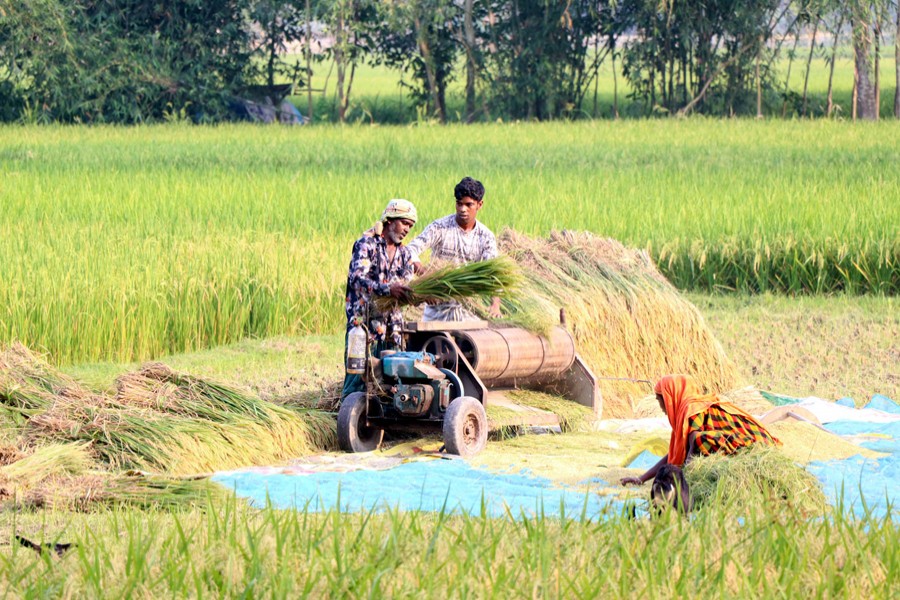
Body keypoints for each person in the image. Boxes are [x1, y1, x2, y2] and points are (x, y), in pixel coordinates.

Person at [620, 374, 780, 487]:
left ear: (670, 397)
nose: (660, 406)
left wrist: (686, 482)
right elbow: (675, 454)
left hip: (754, 443)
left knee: (700, 441)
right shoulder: (686, 412)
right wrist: (641, 479)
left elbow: (695, 445)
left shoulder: (690, 408)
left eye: (660, 400)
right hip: (747, 444)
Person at [342, 199, 417, 399]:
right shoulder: (366, 245)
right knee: (357, 381)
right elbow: (357, 278)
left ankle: (389, 429)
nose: (407, 229)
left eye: (410, 226)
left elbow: (408, 284)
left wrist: (419, 295)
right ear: (390, 220)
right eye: (404, 223)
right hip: (365, 327)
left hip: (393, 329)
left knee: (391, 384)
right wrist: (387, 289)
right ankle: (348, 423)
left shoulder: (405, 254)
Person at [406, 176, 502, 321]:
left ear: (479, 205)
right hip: (437, 310)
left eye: (468, 205)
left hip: (468, 311)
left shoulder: (485, 236)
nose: (463, 209)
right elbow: (409, 251)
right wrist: (426, 275)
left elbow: (493, 272)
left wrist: (495, 305)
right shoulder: (440, 227)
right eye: (459, 204)